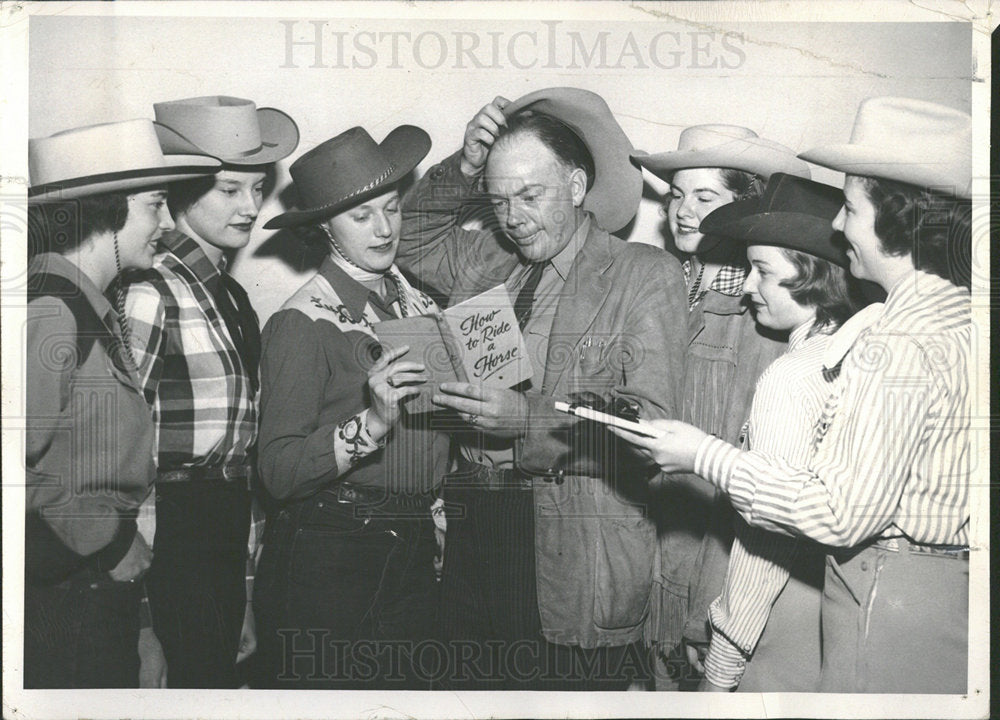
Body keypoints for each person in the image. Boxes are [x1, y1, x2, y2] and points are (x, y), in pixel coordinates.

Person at [611, 96, 972, 693]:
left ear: (895, 218)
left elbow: (838, 513)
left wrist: (702, 454)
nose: (838, 225)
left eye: (851, 208)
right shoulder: (955, 318)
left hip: (888, 587)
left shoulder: (896, 342)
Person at [397, 87, 688, 690]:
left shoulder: (641, 273)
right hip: (477, 519)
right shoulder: (488, 261)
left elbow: (649, 421)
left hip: (572, 539)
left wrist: (526, 420)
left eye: (531, 196)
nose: (513, 216)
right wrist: (466, 165)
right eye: (499, 200)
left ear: (578, 187)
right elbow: (415, 235)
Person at [25, 118, 220, 687]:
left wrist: (138, 623)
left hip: (96, 595)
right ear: (108, 209)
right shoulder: (51, 312)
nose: (165, 223)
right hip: (62, 603)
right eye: (155, 205)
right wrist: (106, 540)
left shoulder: (90, 310)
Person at [254, 124, 448, 689]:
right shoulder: (300, 323)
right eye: (362, 216)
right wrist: (375, 420)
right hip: (331, 550)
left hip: (412, 542)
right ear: (324, 228)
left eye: (390, 208)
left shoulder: (416, 300)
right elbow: (279, 471)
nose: (385, 228)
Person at [120, 96, 299, 688]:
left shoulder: (233, 299)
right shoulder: (151, 293)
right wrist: (139, 620)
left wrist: (243, 590)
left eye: (257, 189)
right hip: (169, 535)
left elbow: (241, 464)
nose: (250, 207)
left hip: (221, 532)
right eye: (229, 190)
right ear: (179, 193)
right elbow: (126, 459)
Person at [630, 126, 809, 688]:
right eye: (676, 195)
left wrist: (707, 620)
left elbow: (748, 487)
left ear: (747, 209)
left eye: (705, 198)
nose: (684, 211)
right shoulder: (660, 289)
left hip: (709, 590)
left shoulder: (762, 324)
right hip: (644, 569)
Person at [692, 173, 861, 691]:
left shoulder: (792, 375)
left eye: (761, 270)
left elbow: (764, 543)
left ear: (811, 274)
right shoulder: (853, 355)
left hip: (778, 617)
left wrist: (721, 666)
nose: (745, 286)